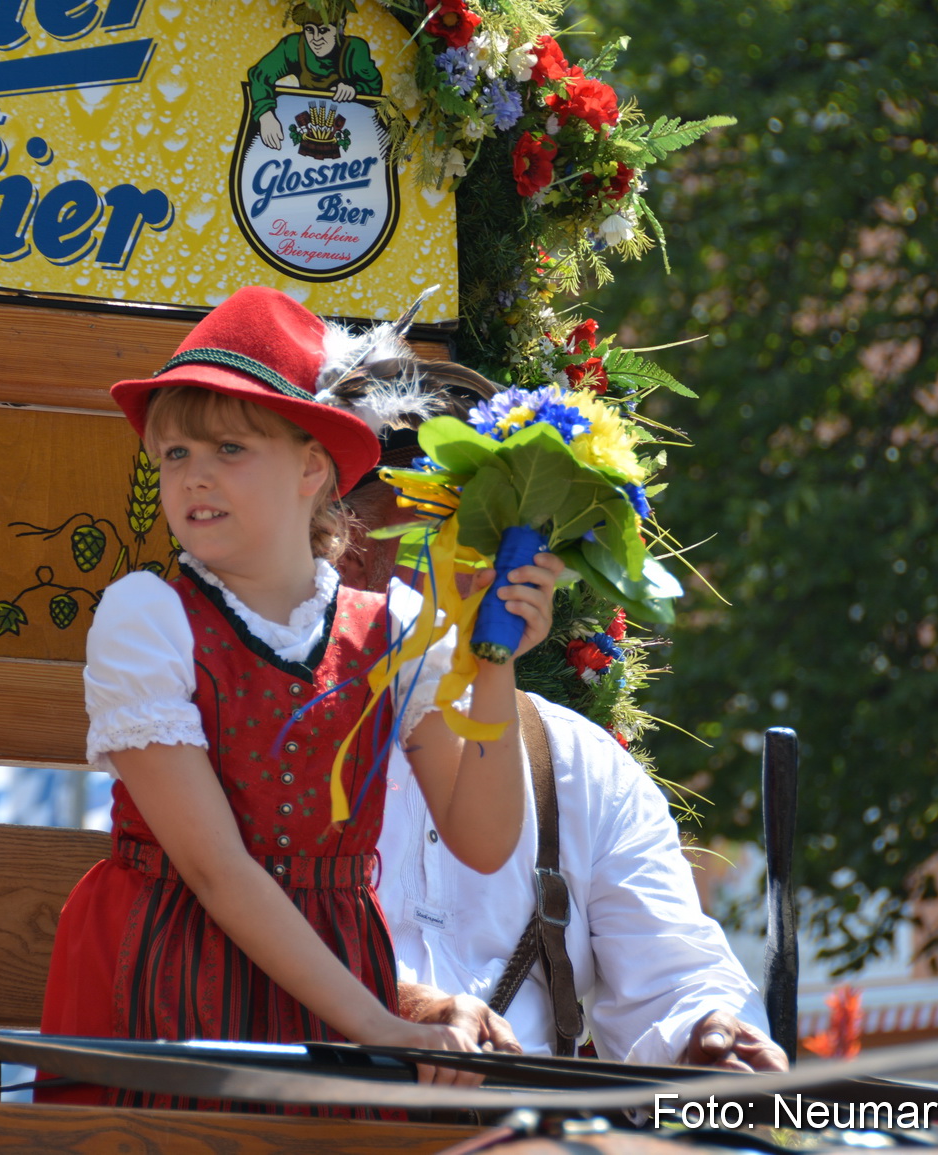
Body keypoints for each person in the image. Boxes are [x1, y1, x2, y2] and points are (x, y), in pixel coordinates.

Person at [38, 287, 562, 1104]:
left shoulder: (394, 627)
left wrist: (493, 657)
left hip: (334, 988)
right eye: (174, 454)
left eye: (229, 449)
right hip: (167, 984)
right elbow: (215, 870)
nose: (194, 476)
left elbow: (484, 841)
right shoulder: (147, 618)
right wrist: (381, 1023)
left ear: (313, 462)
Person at [341, 361, 788, 1071]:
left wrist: (711, 1028)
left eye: (475, 538)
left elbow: (674, 970)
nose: (456, 572)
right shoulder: (280, 737)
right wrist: (407, 1010)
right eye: (413, 537)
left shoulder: (580, 766)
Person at [249, 2, 384, 149]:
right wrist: (265, 114)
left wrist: (354, 89)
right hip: (305, 122)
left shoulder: (354, 49)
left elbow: (374, 85)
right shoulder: (294, 46)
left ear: (340, 26)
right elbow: (260, 74)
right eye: (309, 30)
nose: (316, 38)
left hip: (349, 129)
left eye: (324, 30)